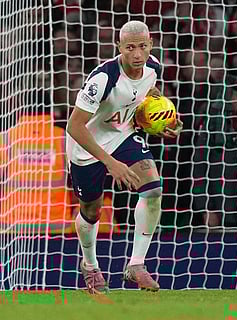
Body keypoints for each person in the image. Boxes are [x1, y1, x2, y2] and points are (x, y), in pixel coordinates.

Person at [66, 21, 182, 293]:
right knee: (91, 211)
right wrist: (111, 163)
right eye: (130, 48)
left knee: (153, 190)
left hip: (123, 135)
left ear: (151, 45)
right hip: (88, 145)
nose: (137, 54)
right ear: (119, 48)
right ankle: (90, 266)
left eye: (142, 46)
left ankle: (136, 265)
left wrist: (158, 120)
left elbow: (145, 96)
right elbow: (74, 126)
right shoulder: (103, 79)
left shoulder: (153, 68)